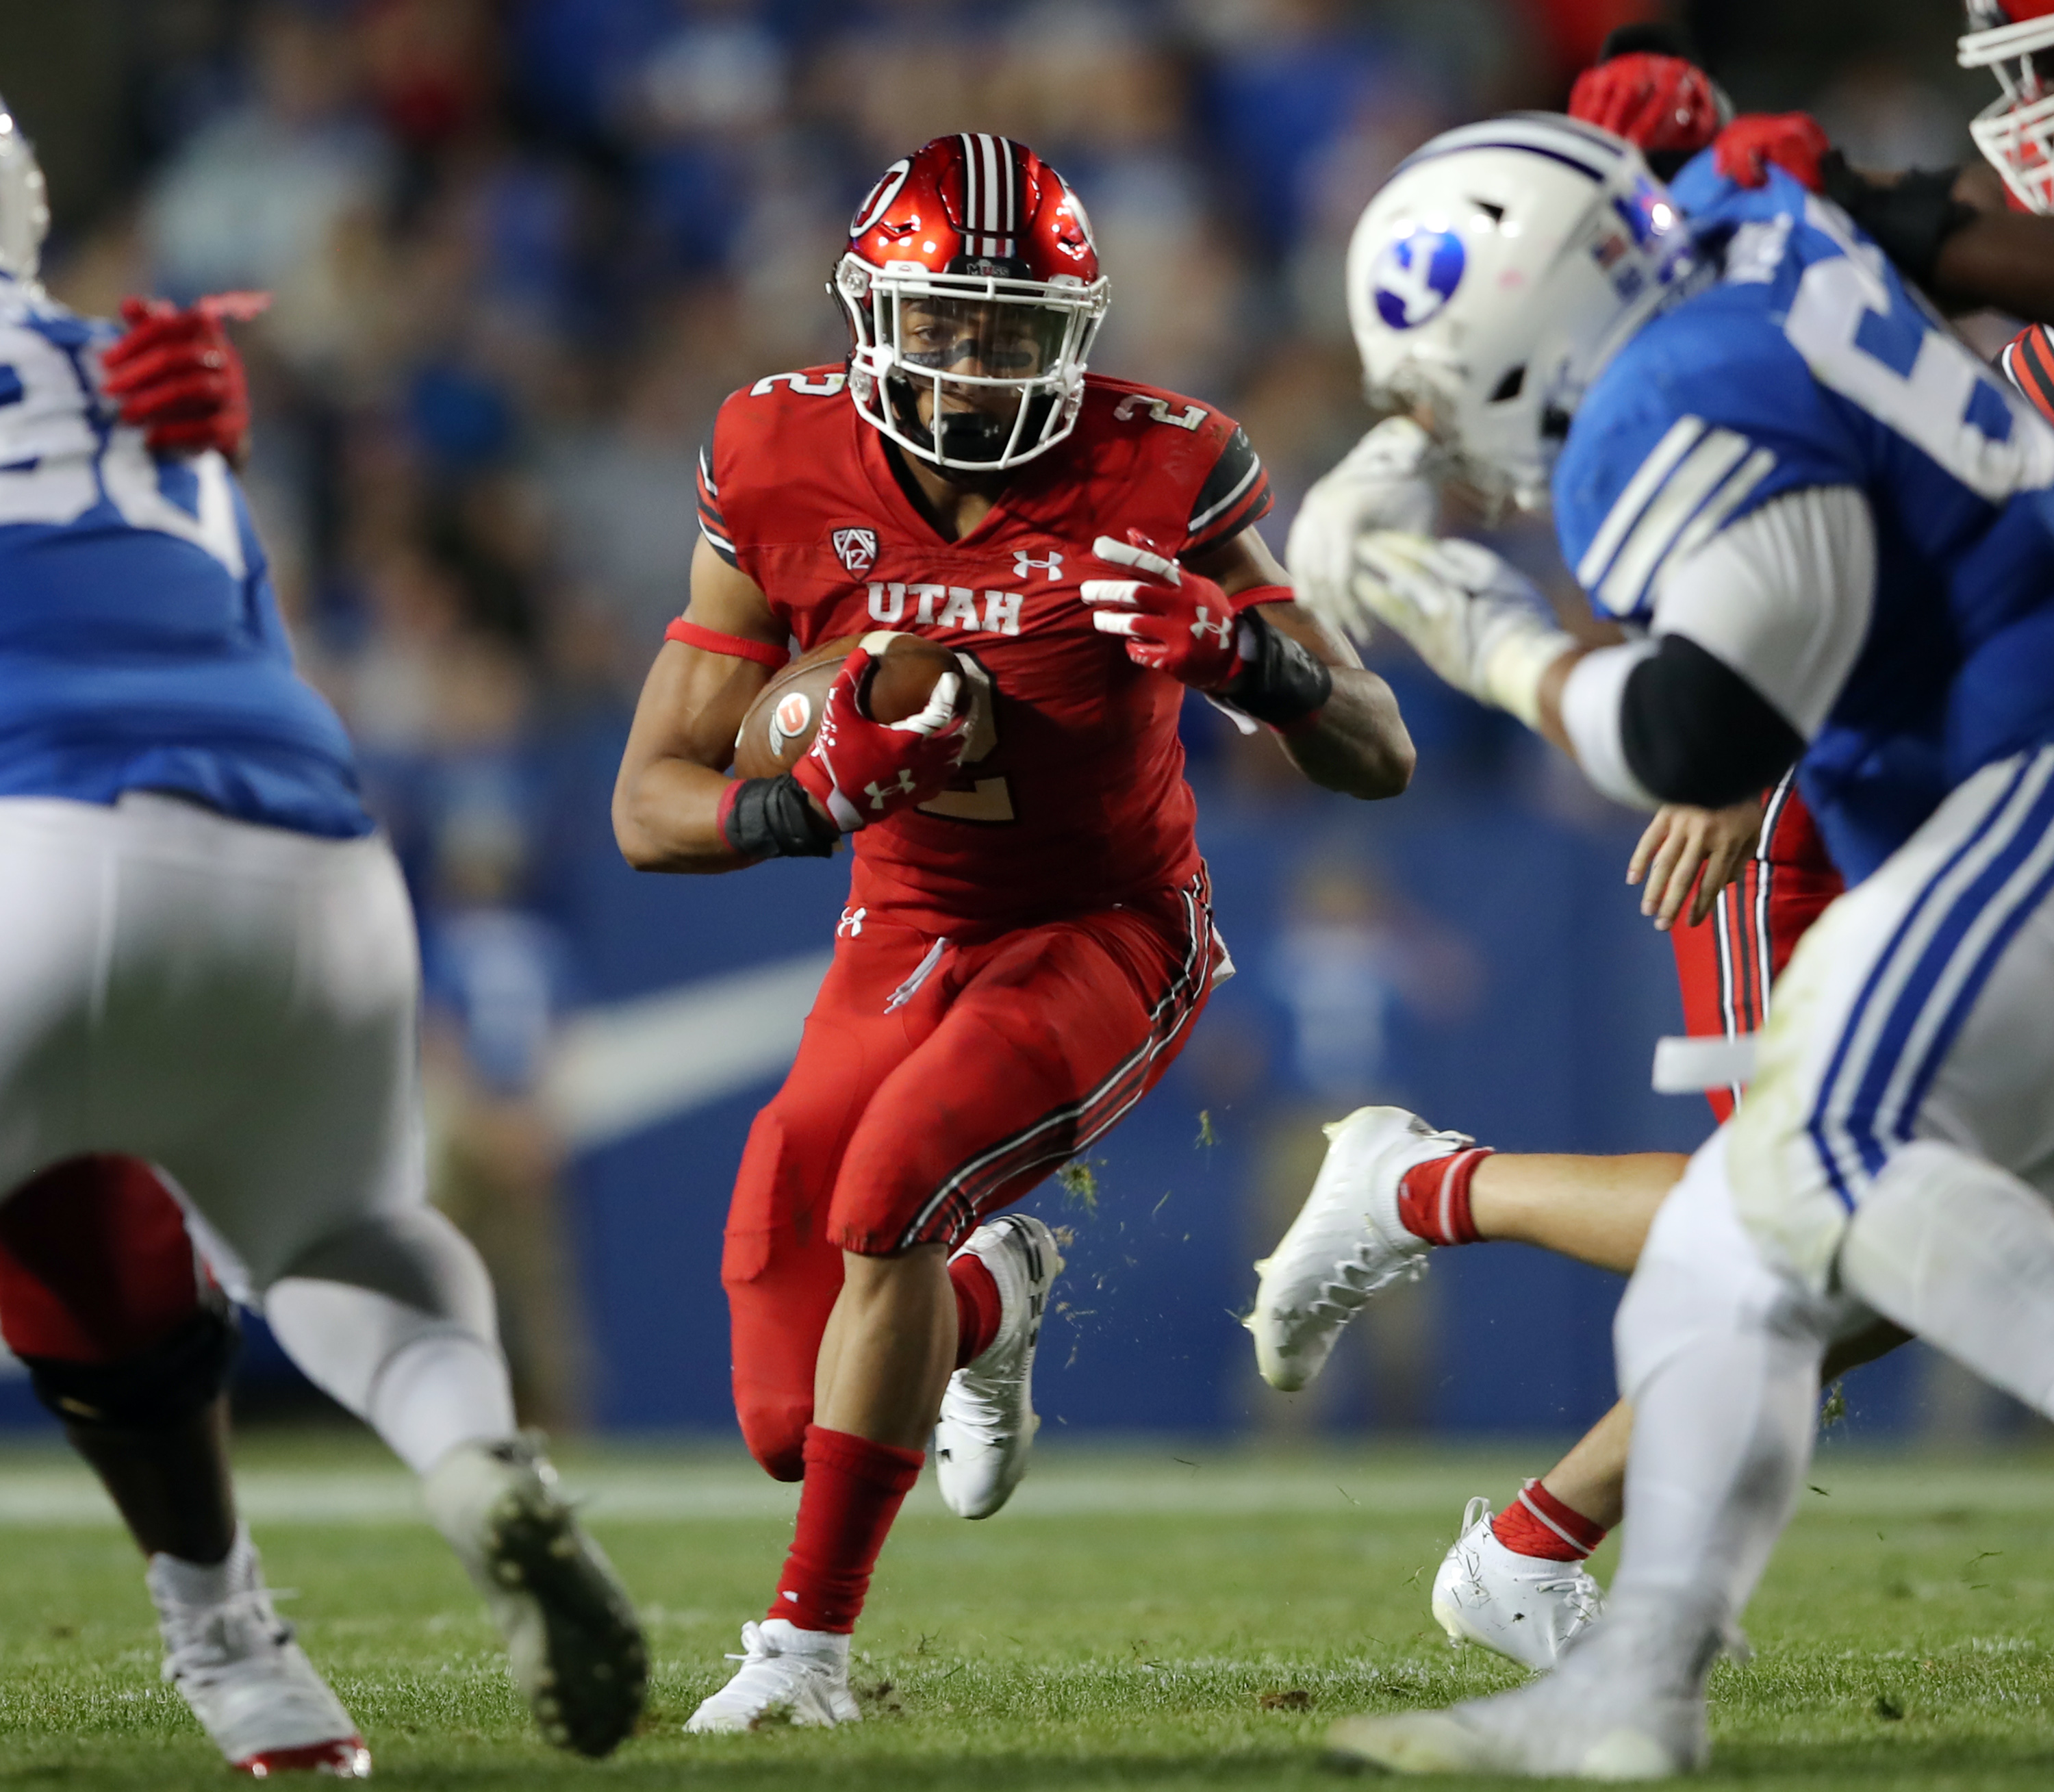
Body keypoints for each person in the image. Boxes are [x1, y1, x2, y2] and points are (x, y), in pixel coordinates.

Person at [1251, 18, 2054, 1671]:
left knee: (1870, 1233)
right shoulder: (1704, 326)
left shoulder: (1790, 240)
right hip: (1833, 766)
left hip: (1924, 756)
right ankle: (1430, 1198)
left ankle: (1532, 1527)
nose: (2020, 115)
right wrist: (1749, 714)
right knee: (1822, 1223)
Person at [612, 131, 1415, 1732]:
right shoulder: (774, 454)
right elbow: (648, 803)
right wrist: (805, 794)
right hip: (900, 918)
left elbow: (1381, 750)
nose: (981, 370)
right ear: (870, 316)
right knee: (791, 1394)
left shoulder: (1164, 465)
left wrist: (1258, 666)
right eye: (953, 326)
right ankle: (993, 1296)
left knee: (895, 1181)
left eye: (1017, 332)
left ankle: (803, 1656)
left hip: (1109, 925)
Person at [0, 99, 644, 1772]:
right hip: (308, 850)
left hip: (40, 844)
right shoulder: (141, 381)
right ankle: (452, 1476)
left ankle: (234, 1636)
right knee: (343, 1238)